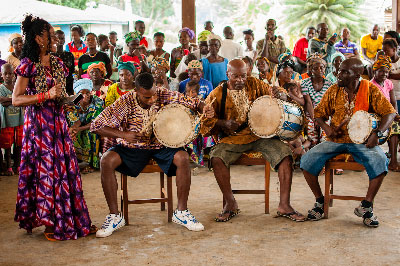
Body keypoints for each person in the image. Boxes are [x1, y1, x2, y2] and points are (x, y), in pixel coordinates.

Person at [90, 72, 215, 237]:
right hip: (131, 147)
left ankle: (181, 212)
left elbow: (192, 102)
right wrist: (124, 135)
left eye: (154, 95)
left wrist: (204, 107)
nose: (152, 100)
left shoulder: (162, 93)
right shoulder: (125, 101)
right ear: (137, 91)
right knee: (106, 160)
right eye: (146, 97)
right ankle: (115, 216)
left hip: (160, 145)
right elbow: (96, 126)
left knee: (183, 157)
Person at [13, 15, 94, 241]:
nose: (57, 38)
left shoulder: (58, 64)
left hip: (58, 125)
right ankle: (46, 220)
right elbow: (16, 99)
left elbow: (63, 98)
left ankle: (63, 218)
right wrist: (44, 95)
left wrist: (80, 100)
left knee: (62, 172)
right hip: (38, 128)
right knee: (45, 171)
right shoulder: (27, 65)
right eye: (50, 34)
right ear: (39, 38)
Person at [201, 59, 306, 222]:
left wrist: (281, 95)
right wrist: (223, 123)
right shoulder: (216, 94)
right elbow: (205, 123)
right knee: (216, 158)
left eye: (243, 76)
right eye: (235, 76)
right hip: (233, 139)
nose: (240, 80)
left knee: (285, 155)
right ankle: (230, 203)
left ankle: (284, 205)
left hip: (261, 135)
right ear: (227, 74)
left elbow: (275, 90)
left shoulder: (255, 84)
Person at [300, 58, 396, 227]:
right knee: (306, 161)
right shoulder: (334, 90)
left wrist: (377, 133)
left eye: (345, 72)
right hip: (336, 140)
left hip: (363, 142)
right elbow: (318, 114)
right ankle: (320, 202)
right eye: (339, 70)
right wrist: (328, 129)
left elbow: (390, 113)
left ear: (357, 75)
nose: (339, 74)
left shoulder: (370, 89)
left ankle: (367, 206)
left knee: (381, 160)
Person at [66, 79, 104, 173]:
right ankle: (74, 162)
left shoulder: (97, 102)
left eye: (87, 92)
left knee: (92, 133)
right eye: (81, 93)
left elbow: (95, 123)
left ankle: (92, 164)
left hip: (94, 127)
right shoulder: (72, 103)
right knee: (71, 134)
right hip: (78, 126)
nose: (85, 96)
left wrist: (79, 129)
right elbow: (76, 122)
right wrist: (74, 129)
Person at [370, 55, 400, 172]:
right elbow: (372, 107)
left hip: (389, 114)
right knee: (394, 127)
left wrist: (395, 113)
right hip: (377, 115)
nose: (384, 74)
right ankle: (393, 162)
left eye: (386, 72)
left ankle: (392, 158)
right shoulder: (371, 85)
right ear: (374, 71)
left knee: (396, 124)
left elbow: (393, 101)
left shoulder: (388, 83)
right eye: (381, 71)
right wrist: (390, 116)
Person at [103, 62, 137, 152]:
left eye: (127, 74)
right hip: (116, 119)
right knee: (109, 132)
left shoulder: (137, 89)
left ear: (133, 75)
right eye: (121, 75)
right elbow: (109, 105)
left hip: (134, 120)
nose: (124, 77)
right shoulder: (114, 87)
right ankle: (110, 155)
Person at [301, 55, 332, 148]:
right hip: (311, 114)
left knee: (325, 132)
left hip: (324, 114)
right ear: (311, 70)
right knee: (312, 132)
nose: (319, 70)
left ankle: (324, 152)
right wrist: (314, 118)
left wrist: (321, 119)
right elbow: (308, 102)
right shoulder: (305, 83)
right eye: (316, 68)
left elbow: (327, 104)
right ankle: (313, 150)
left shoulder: (329, 84)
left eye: (321, 67)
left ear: (324, 69)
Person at [0, 63, 24, 176]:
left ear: (14, 74)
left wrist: (10, 100)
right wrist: (15, 100)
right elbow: (2, 102)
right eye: (6, 74)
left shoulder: (17, 86)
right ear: (2, 75)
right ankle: (9, 166)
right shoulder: (1, 88)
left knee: (19, 144)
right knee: (7, 145)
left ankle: (17, 166)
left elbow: (21, 99)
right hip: (7, 120)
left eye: (10, 73)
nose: (8, 76)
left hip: (19, 119)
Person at [52, 30, 75, 95]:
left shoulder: (69, 55)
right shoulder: (50, 56)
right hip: (55, 88)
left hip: (69, 87)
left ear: (64, 40)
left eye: (62, 38)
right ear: (54, 39)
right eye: (58, 38)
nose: (60, 40)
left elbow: (72, 71)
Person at [382, 39, 400, 114]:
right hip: (389, 96)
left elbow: (388, 75)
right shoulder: (385, 62)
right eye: (384, 51)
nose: (385, 53)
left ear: (394, 49)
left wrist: (390, 75)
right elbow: (385, 76)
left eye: (387, 51)